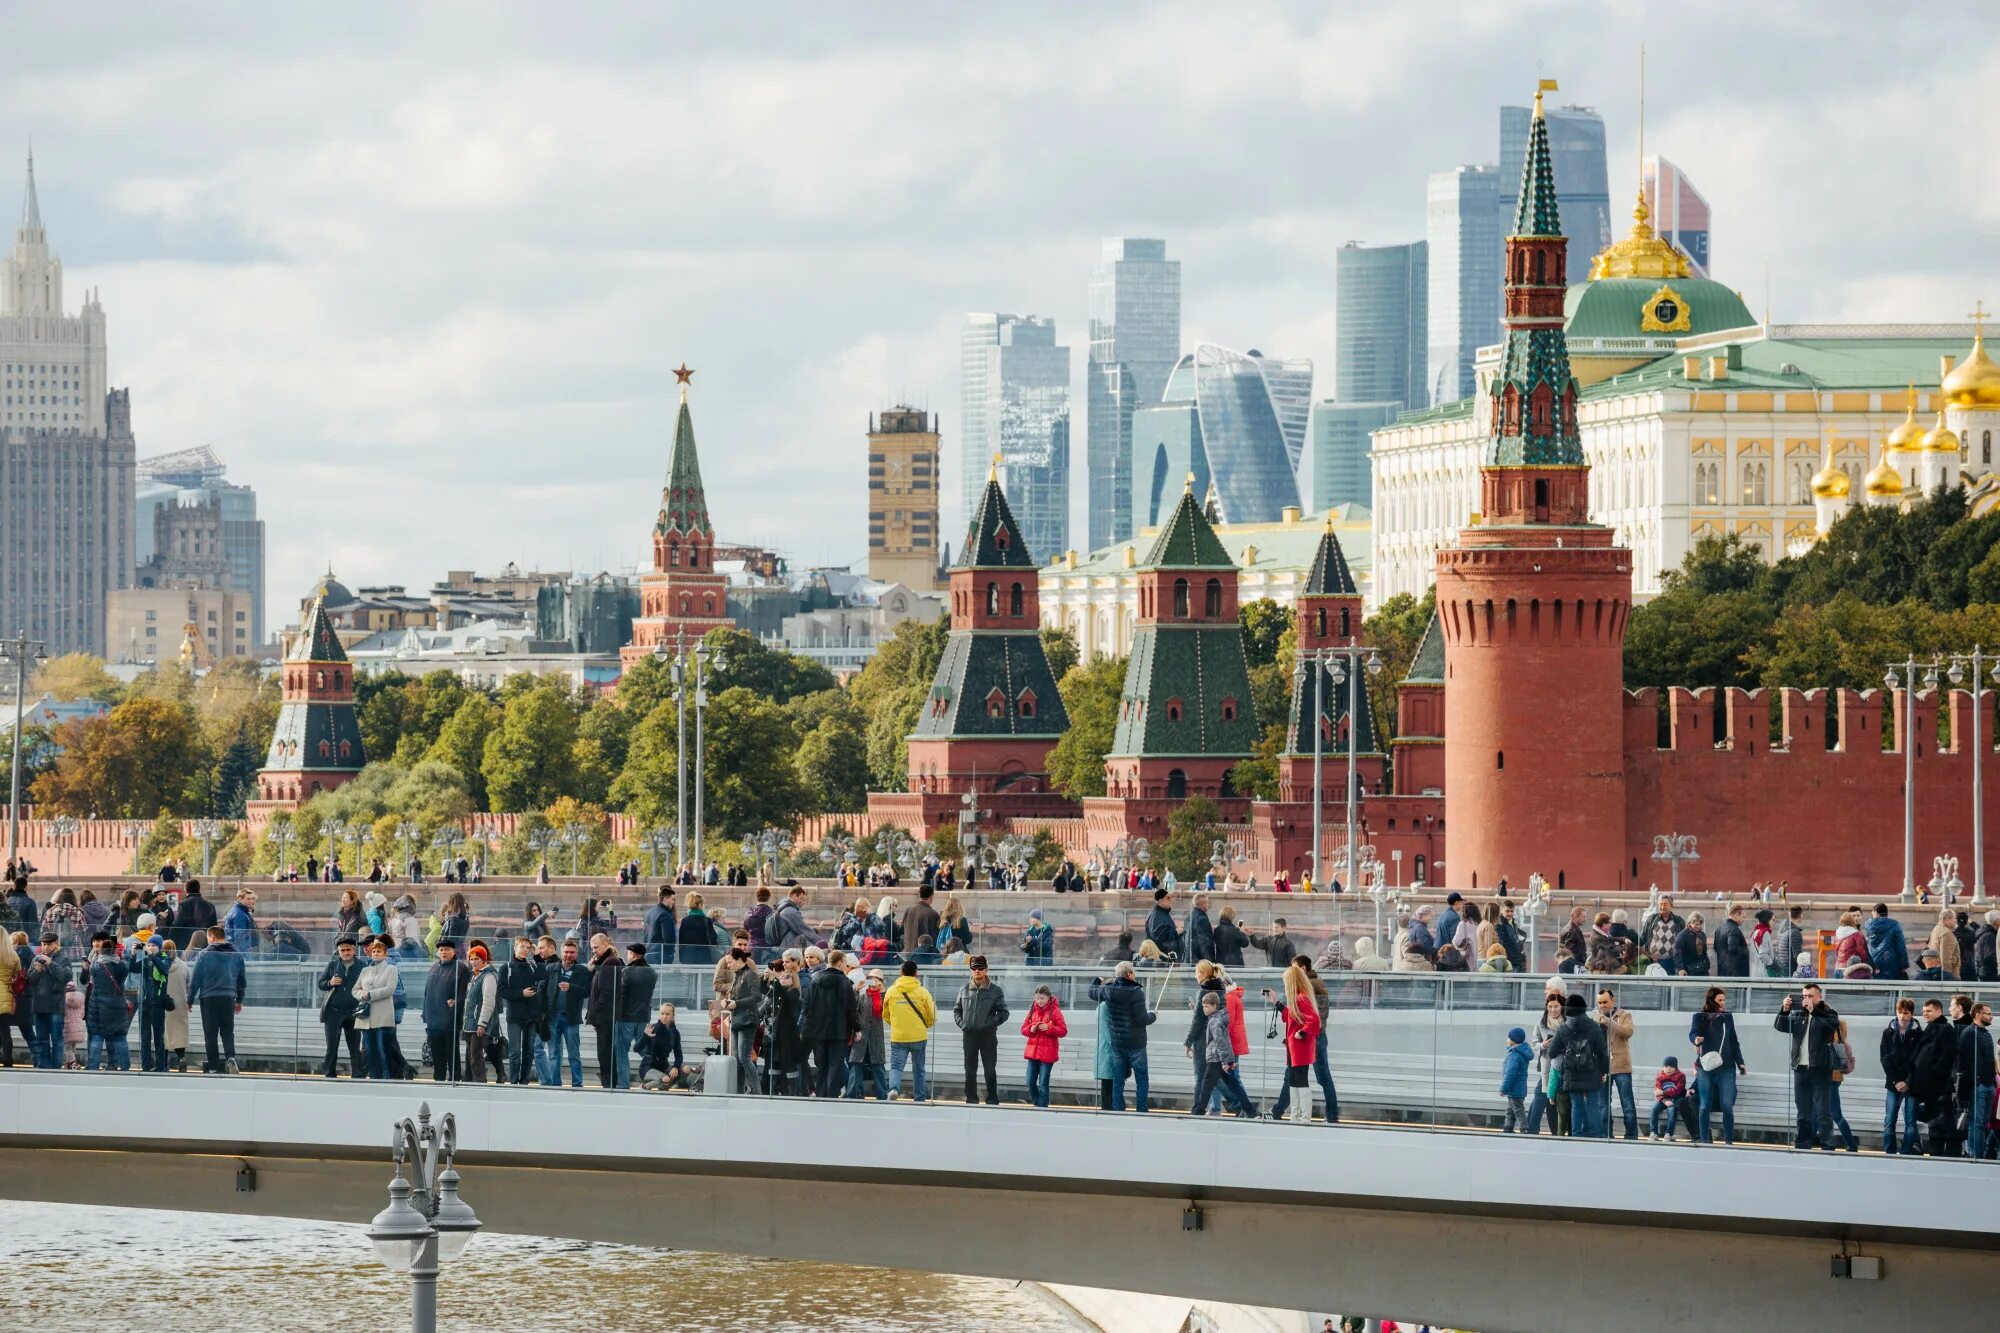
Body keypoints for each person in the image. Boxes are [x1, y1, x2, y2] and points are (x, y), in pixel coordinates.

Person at [1774, 982, 1840, 1151]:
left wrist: (1814, 1011)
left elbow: (1831, 1026)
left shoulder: (1828, 1013)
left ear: (1819, 997)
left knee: (1823, 1111)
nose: (1806, 999)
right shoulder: (1798, 1014)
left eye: (1810, 996)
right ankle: (1803, 1144)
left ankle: (1828, 1145)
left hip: (1820, 1070)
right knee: (1802, 1112)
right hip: (1800, 1069)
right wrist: (1785, 1010)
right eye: (1804, 996)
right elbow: (1780, 1026)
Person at [1089, 961, 1155, 1112]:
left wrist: (1096, 980)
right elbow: (1142, 1019)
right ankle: (1142, 1109)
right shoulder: (1136, 992)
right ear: (1130, 974)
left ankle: (1118, 1109)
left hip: (1118, 1043)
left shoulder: (1108, 990)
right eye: (1133, 972)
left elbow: (1092, 991)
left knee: (1118, 1079)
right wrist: (1153, 1016)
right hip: (1136, 1043)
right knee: (1142, 1079)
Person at [1688, 985, 1745, 1144]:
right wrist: (1696, 1040)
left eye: (1724, 1000)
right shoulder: (1700, 1016)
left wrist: (1740, 1062)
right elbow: (1693, 1033)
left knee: (1727, 1105)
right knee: (1704, 1105)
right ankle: (1705, 1140)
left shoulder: (1727, 1017)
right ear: (1711, 1001)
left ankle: (1728, 1141)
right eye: (1719, 1000)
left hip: (1726, 1066)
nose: (1723, 1003)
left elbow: (1733, 1041)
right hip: (1706, 1067)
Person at [800, 945, 858, 1098]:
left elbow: (807, 1006)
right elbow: (851, 1010)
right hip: (839, 1031)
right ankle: (831, 1096)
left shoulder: (816, 979)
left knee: (822, 1065)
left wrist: (804, 1028)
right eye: (845, 963)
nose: (845, 966)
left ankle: (820, 1094)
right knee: (835, 1065)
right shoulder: (845, 983)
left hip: (818, 1030)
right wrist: (856, 1029)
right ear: (839, 962)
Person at [953, 955, 1008, 1105]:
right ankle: (971, 1099)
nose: (977, 971)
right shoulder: (963, 989)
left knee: (989, 1070)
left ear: (986, 970)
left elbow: (1004, 1013)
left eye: (980, 968)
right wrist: (963, 1025)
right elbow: (957, 1011)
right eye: (974, 968)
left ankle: (992, 1099)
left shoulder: (995, 990)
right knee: (970, 1071)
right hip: (969, 1036)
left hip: (988, 1037)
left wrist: (988, 1024)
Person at [539, 938, 589, 1088]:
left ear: (577, 953)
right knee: (554, 1053)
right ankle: (555, 1083)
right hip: (552, 1017)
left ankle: (577, 1083)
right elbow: (542, 990)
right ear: (561, 952)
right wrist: (542, 1013)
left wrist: (571, 987)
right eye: (566, 952)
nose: (569, 955)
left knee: (574, 1054)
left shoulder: (582, 970)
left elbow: (587, 992)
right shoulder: (551, 968)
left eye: (572, 952)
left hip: (571, 1018)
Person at [884, 959, 936, 1102]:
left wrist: (895, 1025)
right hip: (918, 1036)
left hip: (898, 1036)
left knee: (896, 1066)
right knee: (919, 1069)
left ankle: (894, 1089)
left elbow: (885, 1014)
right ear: (916, 974)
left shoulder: (891, 991)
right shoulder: (922, 992)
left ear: (901, 973)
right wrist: (927, 1025)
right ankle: (919, 1098)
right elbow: (931, 1013)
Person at [1278, 963, 1323, 1124]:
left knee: (1300, 1080)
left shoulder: (1301, 998)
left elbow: (1314, 1020)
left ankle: (1303, 1117)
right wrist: (1276, 1003)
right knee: (1294, 1081)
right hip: (1294, 1047)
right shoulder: (1299, 998)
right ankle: (1296, 1115)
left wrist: (1302, 1032)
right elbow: (1291, 1016)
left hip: (1299, 1046)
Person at [1880, 997, 1925, 1155]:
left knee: (1910, 1122)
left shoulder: (1919, 1034)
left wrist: (1907, 1082)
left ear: (1912, 1014)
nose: (1902, 1016)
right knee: (1889, 1120)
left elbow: (1919, 1061)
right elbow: (1884, 1059)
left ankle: (1906, 1153)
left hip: (1912, 1085)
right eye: (1900, 1012)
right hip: (1893, 1083)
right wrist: (1896, 1080)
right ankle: (1889, 1152)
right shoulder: (1888, 1032)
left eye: (1906, 1013)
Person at [318, 935, 367, 1078]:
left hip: (354, 1012)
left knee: (354, 1048)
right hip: (334, 1012)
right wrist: (330, 983)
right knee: (331, 1047)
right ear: (338, 951)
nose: (346, 953)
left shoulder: (362, 966)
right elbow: (321, 983)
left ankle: (357, 1076)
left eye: (348, 950)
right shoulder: (332, 965)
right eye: (342, 950)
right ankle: (329, 1074)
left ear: (354, 950)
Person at [353, 936, 401, 1080]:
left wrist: (370, 994)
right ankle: (375, 1076)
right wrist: (362, 995)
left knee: (383, 1049)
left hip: (383, 1015)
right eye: (373, 951)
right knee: (370, 1050)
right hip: (366, 1017)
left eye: (379, 951)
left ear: (385, 953)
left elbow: (389, 989)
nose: (375, 954)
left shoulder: (391, 969)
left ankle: (388, 1077)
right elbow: (354, 989)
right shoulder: (365, 970)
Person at [82, 934, 132, 1071]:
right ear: (115, 950)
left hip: (98, 1006)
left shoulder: (95, 966)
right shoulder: (121, 966)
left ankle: (93, 1067)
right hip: (117, 1007)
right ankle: (125, 1067)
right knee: (120, 1038)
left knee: (97, 1037)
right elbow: (127, 965)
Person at [421, 940, 468, 1082]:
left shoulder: (460, 968)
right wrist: (425, 1012)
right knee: (437, 1053)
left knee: (451, 1053)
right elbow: (427, 992)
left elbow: (463, 993)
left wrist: (455, 1004)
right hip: (433, 1019)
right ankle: (439, 1080)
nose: (443, 952)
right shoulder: (434, 967)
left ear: (454, 952)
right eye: (441, 950)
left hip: (450, 1019)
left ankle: (455, 1079)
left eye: (447, 949)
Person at [498, 936, 543, 1085]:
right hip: (515, 1016)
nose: (525, 950)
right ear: (515, 948)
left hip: (531, 1015)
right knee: (515, 1052)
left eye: (528, 947)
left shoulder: (532, 965)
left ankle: (524, 1081)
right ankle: (514, 1080)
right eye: (522, 946)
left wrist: (537, 956)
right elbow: (503, 991)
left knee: (529, 1052)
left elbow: (544, 974)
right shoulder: (507, 967)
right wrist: (521, 993)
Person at [1594, 988, 1637, 1139]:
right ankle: (1606, 1135)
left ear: (1613, 1001)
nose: (1602, 1005)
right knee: (1603, 1105)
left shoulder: (1625, 1015)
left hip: (1621, 1066)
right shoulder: (1594, 1017)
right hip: (1602, 1068)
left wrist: (1607, 1021)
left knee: (1627, 1104)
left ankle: (1631, 1136)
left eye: (1605, 1002)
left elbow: (1628, 1032)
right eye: (1599, 1002)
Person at [1525, 992, 1567, 1136]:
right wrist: (1543, 1045)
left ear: (1562, 1006)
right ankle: (1553, 1132)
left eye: (1556, 1006)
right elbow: (1534, 1044)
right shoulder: (1541, 1023)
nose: (1553, 1009)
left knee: (1561, 1099)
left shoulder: (1568, 1022)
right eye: (1550, 1006)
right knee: (1549, 1099)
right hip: (1548, 1065)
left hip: (1565, 1066)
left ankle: (1561, 1132)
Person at [615, 943, 655, 1091]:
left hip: (626, 1017)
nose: (627, 955)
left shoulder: (627, 971)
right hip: (644, 1016)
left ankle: (623, 1085)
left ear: (633, 954)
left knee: (622, 1052)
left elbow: (621, 994)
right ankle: (655, 1072)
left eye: (628, 953)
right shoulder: (652, 972)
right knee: (643, 1049)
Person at [1959, 1002, 1996, 1160]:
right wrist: (1976, 1081)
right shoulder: (1969, 1033)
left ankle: (1976, 1154)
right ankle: (1976, 1155)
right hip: (1978, 1085)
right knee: (1977, 1122)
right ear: (1978, 1014)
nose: (1991, 1016)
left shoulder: (1986, 1034)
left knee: (1983, 1122)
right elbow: (1965, 1061)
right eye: (1988, 1013)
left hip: (1989, 1085)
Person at [1020, 984, 1067, 1108]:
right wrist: (1031, 1029)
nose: (1040, 1001)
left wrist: (1049, 1028)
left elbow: (1063, 1031)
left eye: (1042, 998)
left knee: (1043, 1083)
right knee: (1030, 1081)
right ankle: (1038, 1104)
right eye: (1037, 998)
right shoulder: (1032, 1010)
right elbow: (1023, 1029)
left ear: (1048, 998)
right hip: (1033, 1053)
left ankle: (1042, 1108)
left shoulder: (1055, 1011)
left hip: (1047, 1054)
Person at [584, 932, 621, 1089]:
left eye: (596, 947)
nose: (594, 951)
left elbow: (605, 993)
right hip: (604, 1016)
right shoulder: (605, 962)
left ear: (606, 945)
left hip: (604, 1017)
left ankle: (608, 1082)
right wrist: (592, 969)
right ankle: (608, 1081)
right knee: (604, 1051)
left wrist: (596, 1015)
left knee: (604, 1052)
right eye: (592, 948)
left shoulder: (610, 962)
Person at [460, 942, 499, 1084]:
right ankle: (476, 1081)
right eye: (471, 958)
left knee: (476, 1055)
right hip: (470, 1023)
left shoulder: (488, 976)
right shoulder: (475, 976)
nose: (473, 961)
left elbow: (488, 1002)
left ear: (484, 960)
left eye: (477, 958)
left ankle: (480, 1082)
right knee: (473, 1054)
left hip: (478, 1023)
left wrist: (482, 1023)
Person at [634, 1002, 686, 1090]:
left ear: (673, 1016)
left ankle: (663, 1087)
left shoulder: (675, 1032)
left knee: (686, 1070)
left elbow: (678, 1054)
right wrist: (645, 1035)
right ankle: (644, 1087)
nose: (664, 1017)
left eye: (667, 1014)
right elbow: (636, 1049)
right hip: (648, 1066)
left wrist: (675, 1067)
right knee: (666, 1079)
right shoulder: (653, 1028)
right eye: (662, 1014)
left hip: (663, 1067)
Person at [1651, 1056, 1694, 1142]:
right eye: (1666, 1066)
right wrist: (1664, 1100)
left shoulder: (1681, 1076)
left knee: (1672, 1111)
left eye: (1671, 1066)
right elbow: (1657, 1092)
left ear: (1676, 1067)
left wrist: (1663, 1092)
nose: (1668, 1069)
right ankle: (1653, 1133)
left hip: (1675, 1099)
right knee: (1654, 1109)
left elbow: (1678, 1090)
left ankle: (1668, 1133)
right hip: (1663, 1100)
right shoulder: (1660, 1077)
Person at [1639, 894, 1685, 974]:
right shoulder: (1651, 920)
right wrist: (1648, 955)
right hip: (1652, 961)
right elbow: (1643, 939)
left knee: (1669, 984)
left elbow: (1683, 941)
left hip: (1670, 961)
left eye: (1665, 904)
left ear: (1671, 906)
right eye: (1660, 904)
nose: (1662, 907)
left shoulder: (1678, 921)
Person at [1865, 903, 1910, 980]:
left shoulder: (1869, 926)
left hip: (1873, 961)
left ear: (1876, 913)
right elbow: (1900, 946)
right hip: (1891, 961)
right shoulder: (1894, 925)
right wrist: (1904, 965)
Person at [1499, 1026, 1531, 1132]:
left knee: (1517, 1110)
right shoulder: (1521, 1053)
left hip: (1514, 1089)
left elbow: (1510, 1073)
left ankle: (1524, 1128)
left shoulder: (1514, 1055)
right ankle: (1508, 1127)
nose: (1507, 1040)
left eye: (1508, 1038)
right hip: (1519, 1089)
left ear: (1513, 1040)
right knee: (1511, 1109)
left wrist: (1503, 1088)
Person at [1712, 903, 1751, 978]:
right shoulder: (1734, 929)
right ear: (1736, 915)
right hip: (1735, 973)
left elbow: (1716, 948)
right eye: (1743, 917)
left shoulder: (1718, 929)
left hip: (1722, 970)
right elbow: (1733, 949)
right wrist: (1746, 950)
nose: (1744, 920)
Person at [642, 886, 677, 966]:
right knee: (663, 978)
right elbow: (668, 938)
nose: (673, 902)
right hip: (661, 955)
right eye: (672, 899)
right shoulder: (665, 914)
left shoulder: (649, 913)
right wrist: (670, 953)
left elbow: (645, 935)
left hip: (648, 953)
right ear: (665, 899)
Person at [1144, 889, 1181, 960]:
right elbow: (1158, 936)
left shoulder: (1161, 913)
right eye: (1168, 898)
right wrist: (1176, 932)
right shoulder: (1157, 915)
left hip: (1164, 956)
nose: (1171, 900)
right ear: (1160, 901)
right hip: (1161, 959)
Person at [1927, 907, 1962, 979]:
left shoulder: (1936, 928)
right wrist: (1947, 978)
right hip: (1947, 974)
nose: (1956, 921)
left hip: (1936, 971)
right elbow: (1945, 958)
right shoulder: (1946, 933)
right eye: (1954, 918)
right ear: (1947, 920)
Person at [224, 889, 258, 956]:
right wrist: (243, 955)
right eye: (248, 899)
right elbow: (239, 937)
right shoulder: (240, 914)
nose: (251, 901)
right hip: (241, 952)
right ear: (240, 899)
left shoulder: (240, 911)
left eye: (252, 899)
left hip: (237, 950)